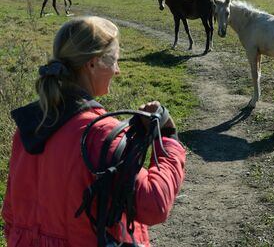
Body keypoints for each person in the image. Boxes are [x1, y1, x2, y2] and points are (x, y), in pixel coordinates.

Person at [2, 16, 186, 247]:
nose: (117, 71)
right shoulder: (99, 134)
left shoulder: (29, 127)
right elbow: (153, 204)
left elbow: (10, 213)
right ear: (92, 63)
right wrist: (168, 138)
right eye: (114, 61)